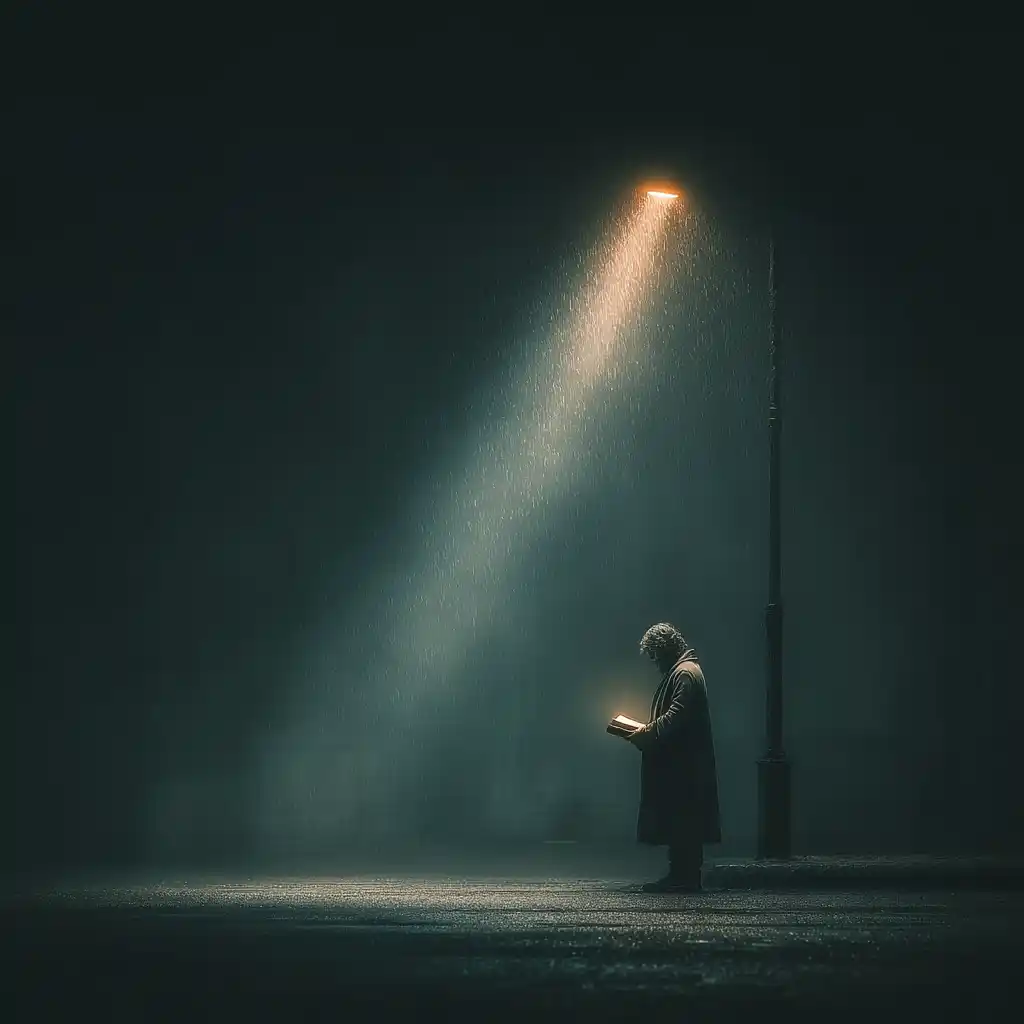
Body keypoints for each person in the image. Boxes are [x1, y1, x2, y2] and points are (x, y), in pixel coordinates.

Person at [625, 622, 721, 892]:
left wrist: (645, 732)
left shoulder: (684, 673)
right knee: (683, 819)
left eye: (655, 656)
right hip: (684, 763)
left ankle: (683, 877)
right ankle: (682, 874)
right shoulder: (685, 670)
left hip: (683, 765)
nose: (655, 663)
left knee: (682, 818)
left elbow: (676, 716)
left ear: (664, 650)